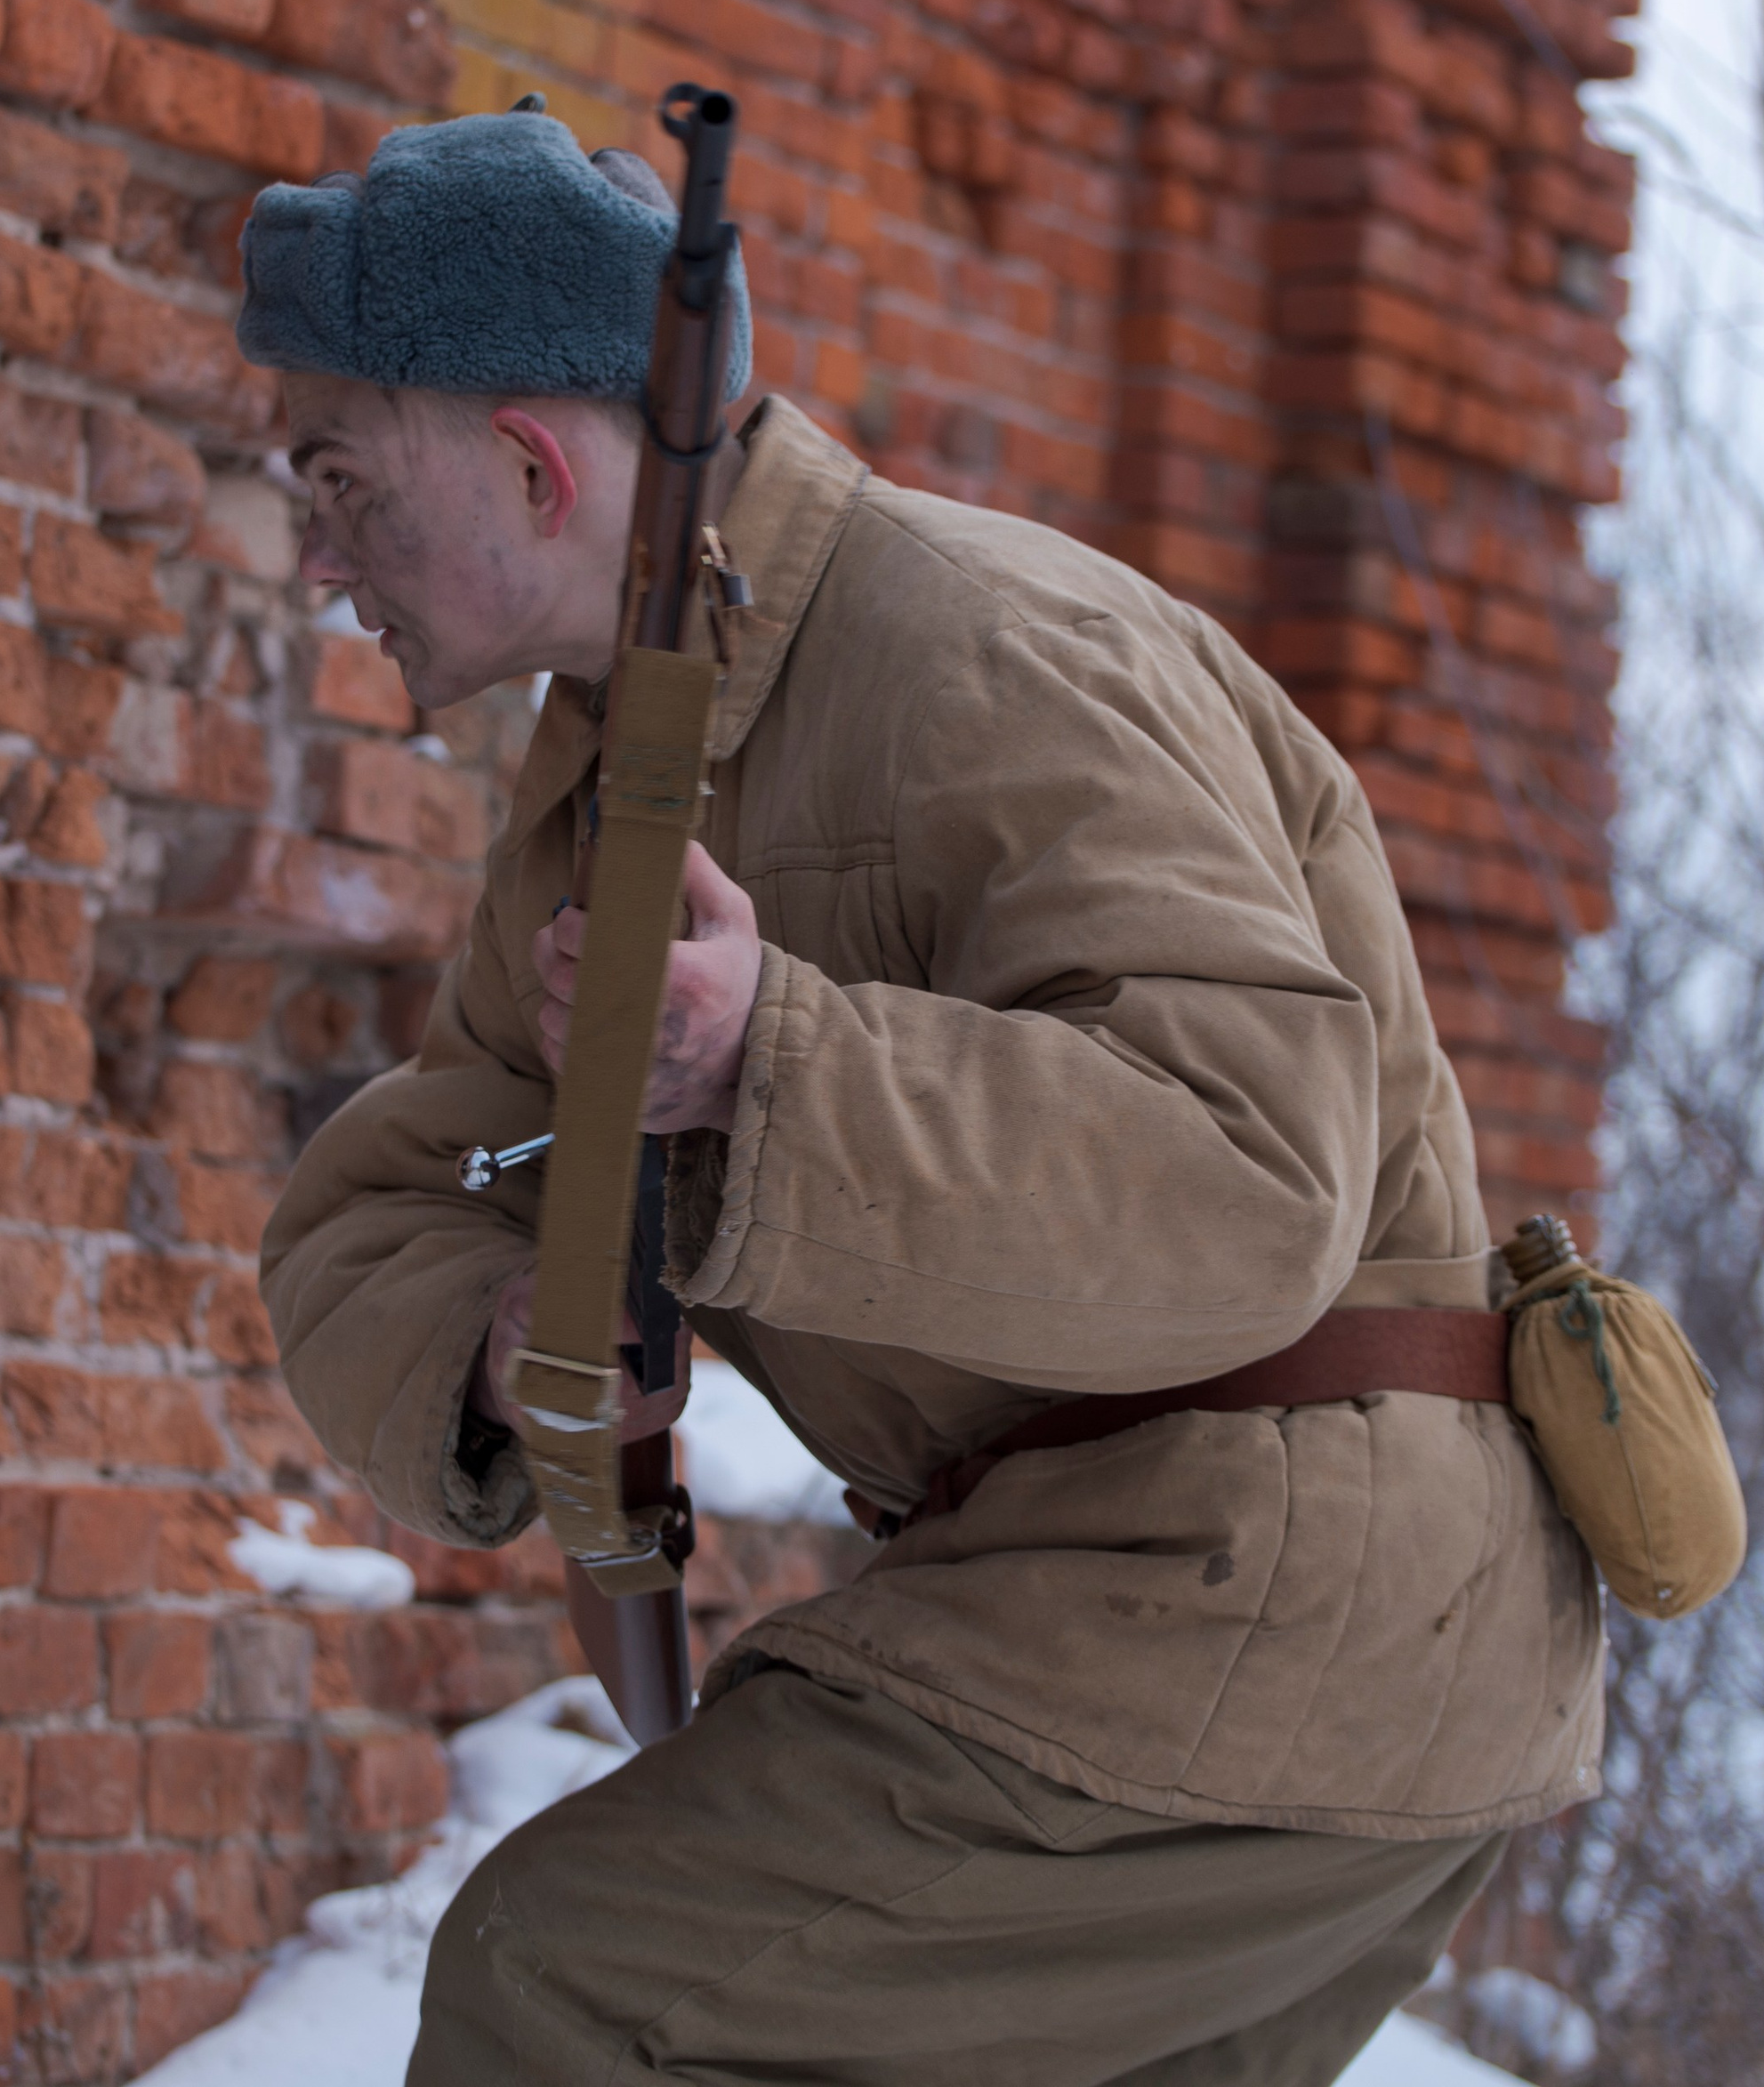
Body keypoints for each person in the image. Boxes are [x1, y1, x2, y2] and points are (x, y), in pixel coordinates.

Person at [243, 103, 1603, 2085]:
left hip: (1271, 1579)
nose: (312, 557)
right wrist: (495, 1342)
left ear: (532, 463)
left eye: (338, 481)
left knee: (572, 1984)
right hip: (1169, 1603)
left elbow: (1245, 1170)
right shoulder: (609, 782)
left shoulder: (980, 646)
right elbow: (386, 1200)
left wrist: (767, 1055)